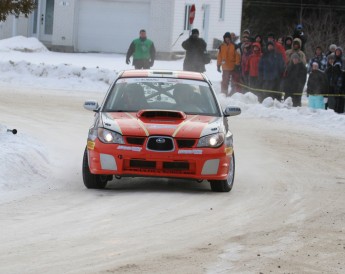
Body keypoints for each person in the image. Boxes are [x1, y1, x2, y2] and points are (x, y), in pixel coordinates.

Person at [217, 32, 241, 96]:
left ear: (230, 38)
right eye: (226, 38)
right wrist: (218, 65)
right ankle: (224, 94)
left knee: (234, 82)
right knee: (224, 82)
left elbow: (238, 55)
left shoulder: (235, 46)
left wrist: (237, 64)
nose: (227, 39)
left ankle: (233, 94)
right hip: (225, 68)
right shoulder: (221, 46)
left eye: (228, 38)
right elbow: (219, 56)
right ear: (224, 38)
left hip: (233, 67)